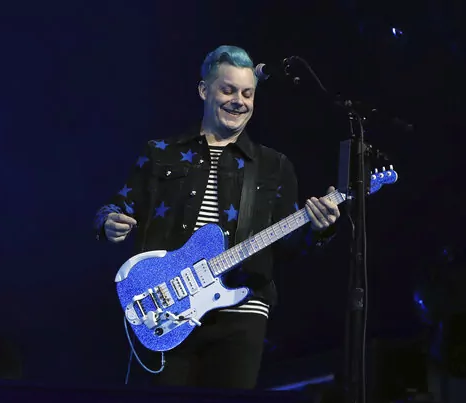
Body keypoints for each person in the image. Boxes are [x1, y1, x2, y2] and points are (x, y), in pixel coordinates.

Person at [94, 45, 340, 390]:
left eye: (247, 94)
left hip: (241, 311)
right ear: (203, 90)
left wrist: (318, 229)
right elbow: (117, 205)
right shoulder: (161, 152)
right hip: (166, 306)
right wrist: (109, 222)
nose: (239, 101)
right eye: (228, 90)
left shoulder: (274, 165)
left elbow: (288, 247)